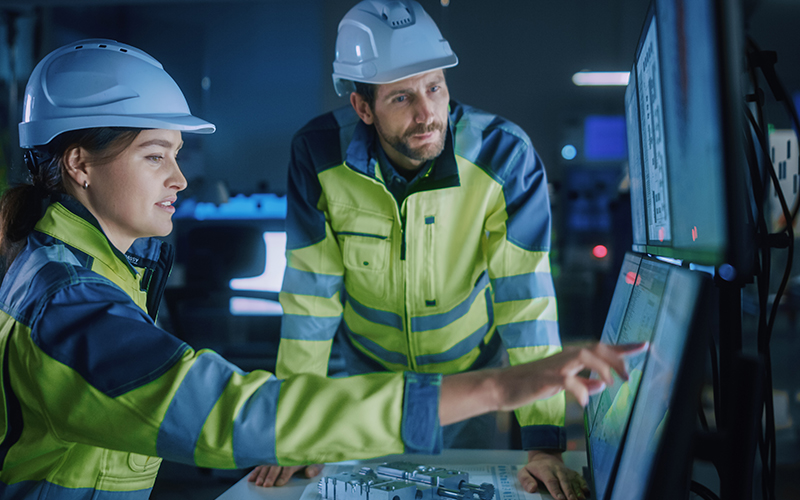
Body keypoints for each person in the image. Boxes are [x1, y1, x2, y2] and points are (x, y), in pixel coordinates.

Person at [0, 38, 645, 499]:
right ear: (80, 166)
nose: (180, 177)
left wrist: (539, 432)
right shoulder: (68, 304)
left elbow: (525, 297)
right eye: (154, 156)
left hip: (458, 364)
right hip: (371, 376)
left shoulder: (76, 268)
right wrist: (504, 388)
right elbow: (249, 385)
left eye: (176, 153)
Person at [253, 1, 582, 499]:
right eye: (402, 98)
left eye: (435, 87)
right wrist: (300, 428)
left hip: (469, 375)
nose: (427, 113)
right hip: (367, 377)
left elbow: (526, 303)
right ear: (363, 108)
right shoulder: (317, 155)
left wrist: (544, 443)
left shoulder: (504, 156)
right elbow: (310, 302)